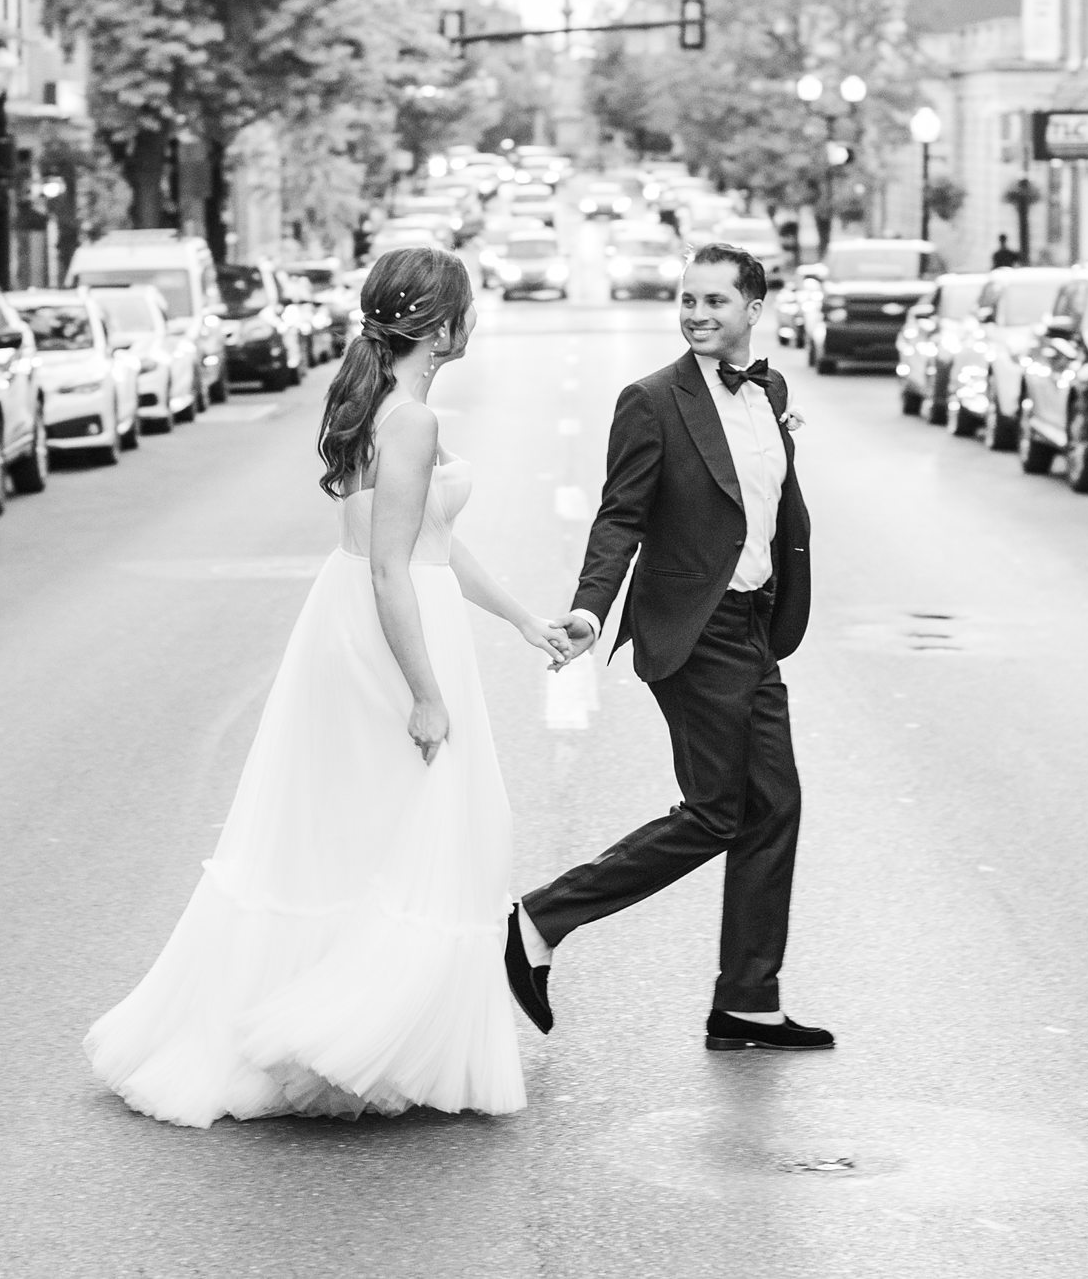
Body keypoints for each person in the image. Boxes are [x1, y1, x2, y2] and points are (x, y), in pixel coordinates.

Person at [87, 246, 575, 1127]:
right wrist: (427, 693)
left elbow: (430, 540)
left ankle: (338, 1023)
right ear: (442, 325)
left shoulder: (381, 401)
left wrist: (522, 620)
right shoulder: (412, 419)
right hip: (393, 632)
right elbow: (397, 568)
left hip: (356, 619)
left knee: (357, 833)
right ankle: (344, 1034)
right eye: (467, 307)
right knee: (436, 825)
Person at [503, 243, 833, 1053]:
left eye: (715, 301)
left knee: (774, 805)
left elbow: (764, 499)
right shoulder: (651, 400)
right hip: (697, 627)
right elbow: (621, 515)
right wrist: (588, 610)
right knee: (720, 810)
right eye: (688, 299)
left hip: (756, 624)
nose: (696, 314)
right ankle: (541, 916)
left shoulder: (770, 389)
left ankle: (748, 1001)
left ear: (755, 308)